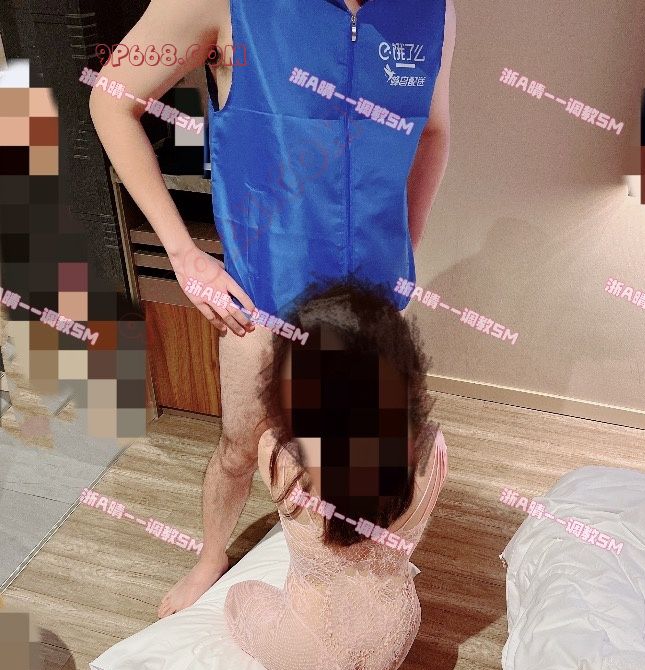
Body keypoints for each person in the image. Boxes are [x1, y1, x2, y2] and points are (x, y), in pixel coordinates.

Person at [88, 0, 456, 618]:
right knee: (240, 445)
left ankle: (347, 561)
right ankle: (210, 556)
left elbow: (434, 129)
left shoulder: (433, 9)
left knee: (359, 456)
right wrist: (184, 255)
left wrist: (406, 243)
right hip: (262, 299)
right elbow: (111, 100)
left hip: (369, 309)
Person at [224, 281, 448, 670]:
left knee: (238, 598)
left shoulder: (278, 456)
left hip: (313, 652)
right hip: (395, 638)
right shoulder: (434, 450)